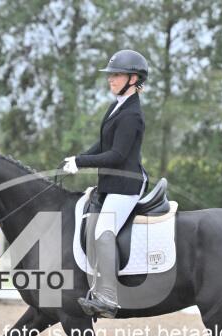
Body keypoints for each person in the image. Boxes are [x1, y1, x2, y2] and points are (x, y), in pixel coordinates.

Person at [62, 49, 149, 318]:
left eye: (117, 75)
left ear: (133, 79)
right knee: (89, 224)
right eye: (110, 75)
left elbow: (117, 155)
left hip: (127, 186)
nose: (110, 79)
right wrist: (77, 159)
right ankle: (92, 285)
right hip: (111, 184)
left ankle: (108, 298)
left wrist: (82, 162)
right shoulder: (117, 106)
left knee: (104, 231)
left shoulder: (132, 114)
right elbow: (103, 144)